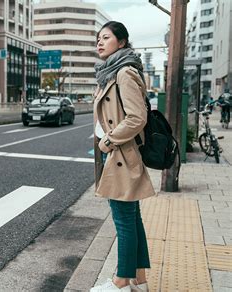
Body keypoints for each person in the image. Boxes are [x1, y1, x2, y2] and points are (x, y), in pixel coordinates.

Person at [90, 21, 155, 292]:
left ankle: (120, 281)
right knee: (132, 218)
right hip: (117, 153)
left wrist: (108, 141)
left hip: (120, 154)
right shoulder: (111, 72)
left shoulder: (124, 72)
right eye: (98, 39)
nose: (100, 42)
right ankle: (138, 278)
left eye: (106, 37)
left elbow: (136, 117)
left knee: (124, 220)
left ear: (123, 42)